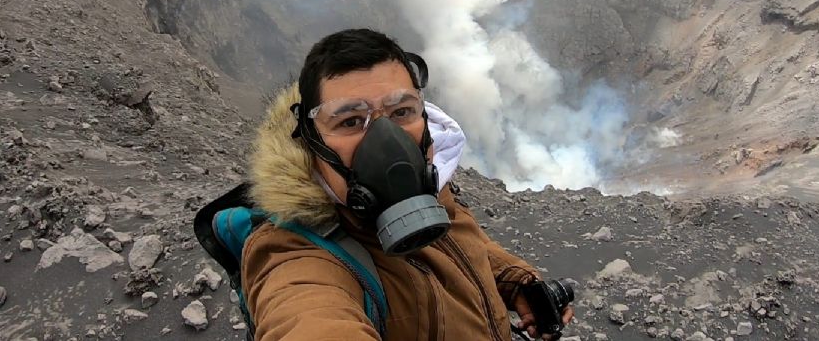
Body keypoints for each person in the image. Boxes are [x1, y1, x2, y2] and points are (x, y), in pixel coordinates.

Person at [242, 28, 573, 340]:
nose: (387, 139)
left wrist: (514, 280)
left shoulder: (430, 195)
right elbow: (309, 317)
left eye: (401, 112)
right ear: (312, 143)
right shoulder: (295, 253)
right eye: (350, 121)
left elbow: (456, 245)